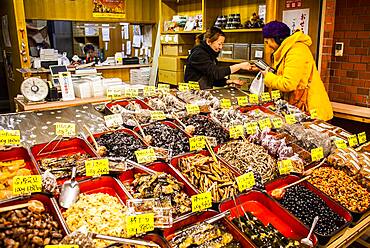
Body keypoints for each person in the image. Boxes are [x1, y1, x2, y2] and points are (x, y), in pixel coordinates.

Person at [260, 21, 333, 121]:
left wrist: (268, 76)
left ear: (275, 38)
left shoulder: (296, 50)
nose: (268, 46)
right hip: (297, 105)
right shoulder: (287, 49)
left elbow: (288, 83)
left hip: (309, 108)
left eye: (267, 42)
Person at [184, 27, 252, 89]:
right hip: (193, 93)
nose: (221, 47)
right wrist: (239, 66)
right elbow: (216, 73)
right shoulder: (199, 54)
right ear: (208, 41)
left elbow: (212, 78)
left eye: (222, 44)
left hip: (204, 91)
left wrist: (229, 81)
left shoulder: (210, 54)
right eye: (219, 44)